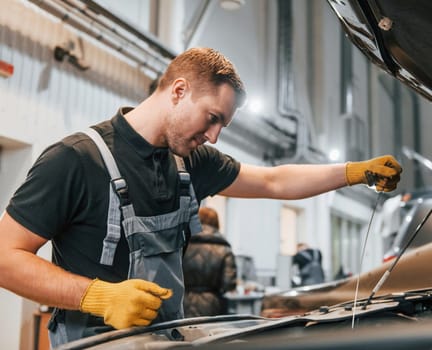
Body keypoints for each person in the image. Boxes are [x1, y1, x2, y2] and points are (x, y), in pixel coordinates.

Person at [0, 47, 402, 347]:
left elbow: (273, 182)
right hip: (93, 342)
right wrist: (96, 295)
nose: (214, 136)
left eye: (222, 126)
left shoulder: (189, 162)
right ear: (179, 90)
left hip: (165, 337)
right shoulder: (75, 159)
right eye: (213, 118)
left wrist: (352, 172)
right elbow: (5, 257)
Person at [182, 207, 236, 317]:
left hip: (182, 301)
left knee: (183, 332)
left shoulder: (183, 244)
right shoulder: (224, 248)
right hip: (212, 305)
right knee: (211, 333)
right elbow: (229, 284)